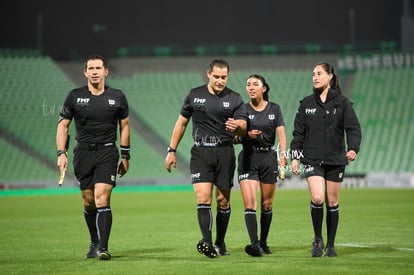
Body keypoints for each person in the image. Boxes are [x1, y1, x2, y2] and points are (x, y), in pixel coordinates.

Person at [164, 59, 246, 258]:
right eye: (216, 77)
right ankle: (207, 242)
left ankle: (220, 242)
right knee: (203, 198)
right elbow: (181, 123)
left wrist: (237, 127)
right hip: (201, 152)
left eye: (223, 77)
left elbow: (243, 126)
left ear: (228, 76)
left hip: (225, 152)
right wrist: (171, 150)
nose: (220, 81)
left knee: (223, 201)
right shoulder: (195, 95)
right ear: (208, 74)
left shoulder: (235, 98)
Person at [56, 54, 130, 260]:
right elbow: (63, 125)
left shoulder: (118, 96)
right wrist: (61, 153)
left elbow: (124, 126)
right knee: (88, 201)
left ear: (106, 71)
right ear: (85, 72)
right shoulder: (74, 96)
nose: (95, 71)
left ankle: (103, 248)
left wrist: (125, 155)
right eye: (91, 68)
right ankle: (94, 241)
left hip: (107, 152)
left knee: (102, 198)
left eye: (99, 68)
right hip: (83, 153)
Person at [290, 62, 362, 257]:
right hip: (312, 159)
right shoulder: (306, 104)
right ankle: (317, 239)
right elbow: (298, 134)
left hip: (336, 159)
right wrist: (295, 158)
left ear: (330, 76)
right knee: (317, 197)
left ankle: (330, 244)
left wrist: (353, 148)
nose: (315, 77)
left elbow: (353, 128)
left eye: (319, 73)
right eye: (313, 74)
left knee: (332, 201)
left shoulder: (343, 103)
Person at [234, 74, 287, 257]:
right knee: (250, 204)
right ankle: (254, 244)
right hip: (248, 158)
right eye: (248, 84)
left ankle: (264, 242)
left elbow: (281, 133)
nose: (250, 87)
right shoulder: (241, 110)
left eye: (255, 84)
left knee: (267, 204)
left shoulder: (275, 108)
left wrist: (282, 156)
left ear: (264, 88)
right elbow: (235, 137)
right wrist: (247, 135)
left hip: (268, 158)